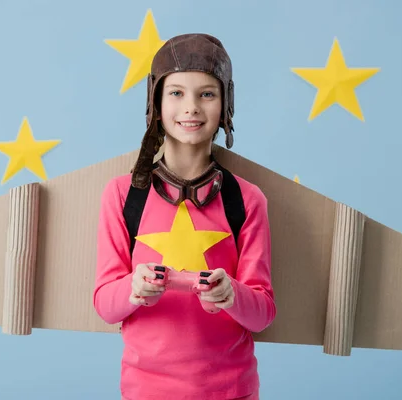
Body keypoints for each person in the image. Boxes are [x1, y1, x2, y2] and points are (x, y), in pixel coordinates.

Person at [93, 33, 276, 400]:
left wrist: (231, 294)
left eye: (206, 93)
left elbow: (263, 313)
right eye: (176, 92)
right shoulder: (122, 194)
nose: (191, 107)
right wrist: (135, 288)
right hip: (146, 391)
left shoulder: (247, 199)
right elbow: (105, 305)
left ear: (226, 103)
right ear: (155, 102)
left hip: (232, 391)